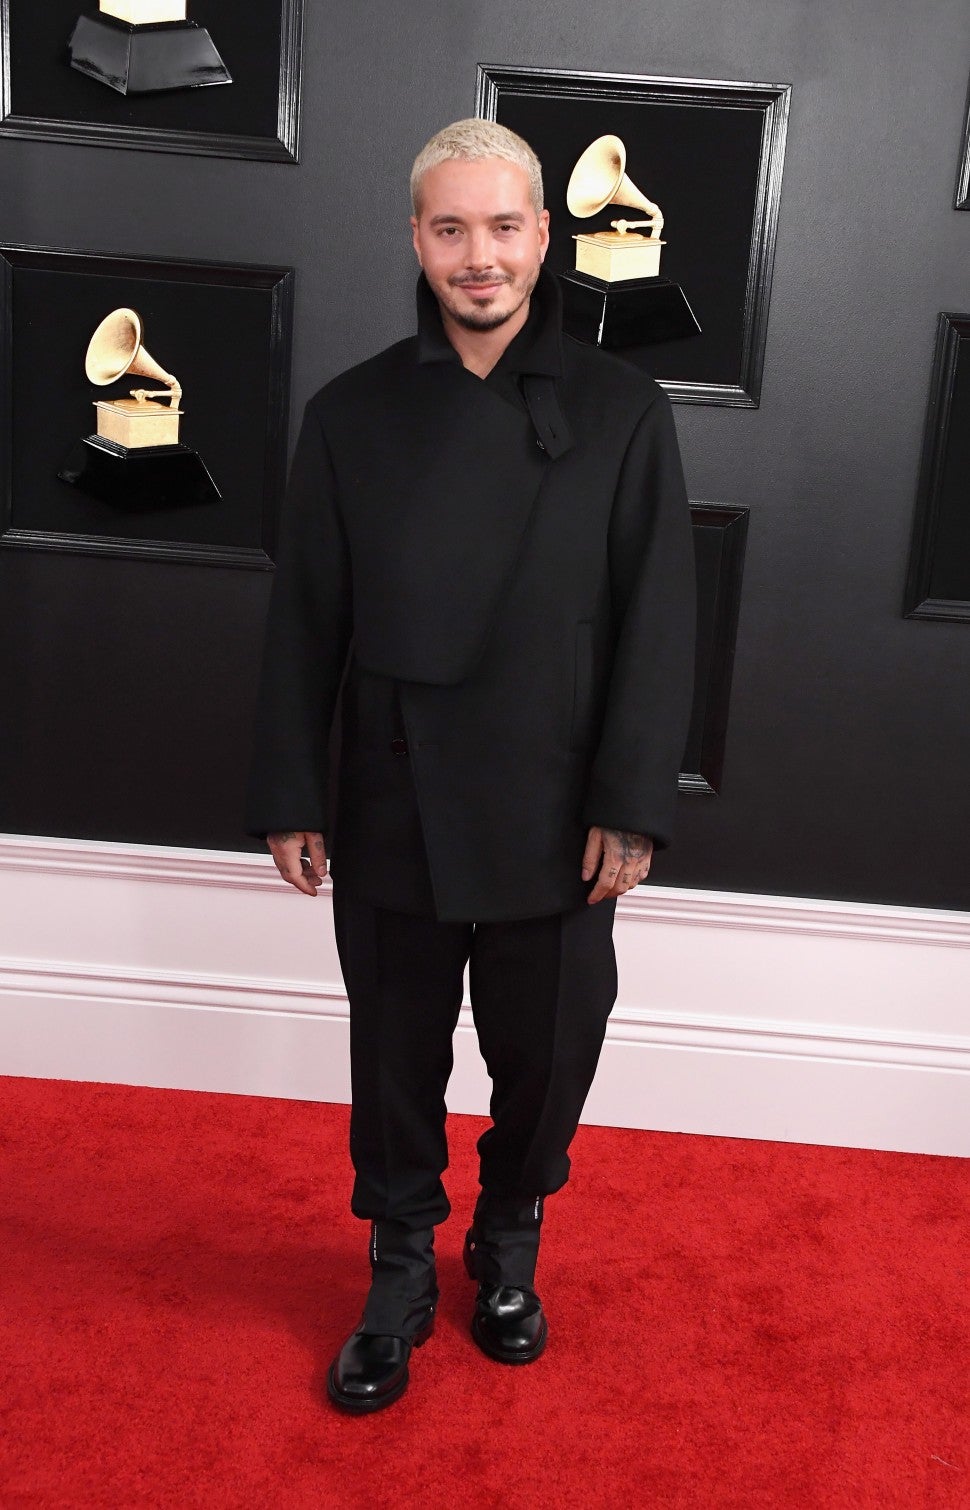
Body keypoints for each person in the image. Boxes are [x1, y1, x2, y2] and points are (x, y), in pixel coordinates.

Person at [246, 118, 696, 1414]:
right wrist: (293, 791)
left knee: (548, 1054)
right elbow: (305, 619)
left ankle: (507, 1248)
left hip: (560, 804)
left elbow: (660, 619)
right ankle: (396, 1274)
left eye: (503, 226)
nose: (478, 255)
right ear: (416, 239)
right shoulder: (351, 412)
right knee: (393, 1054)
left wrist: (631, 801)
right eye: (451, 228)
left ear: (544, 237)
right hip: (393, 786)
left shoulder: (622, 409)